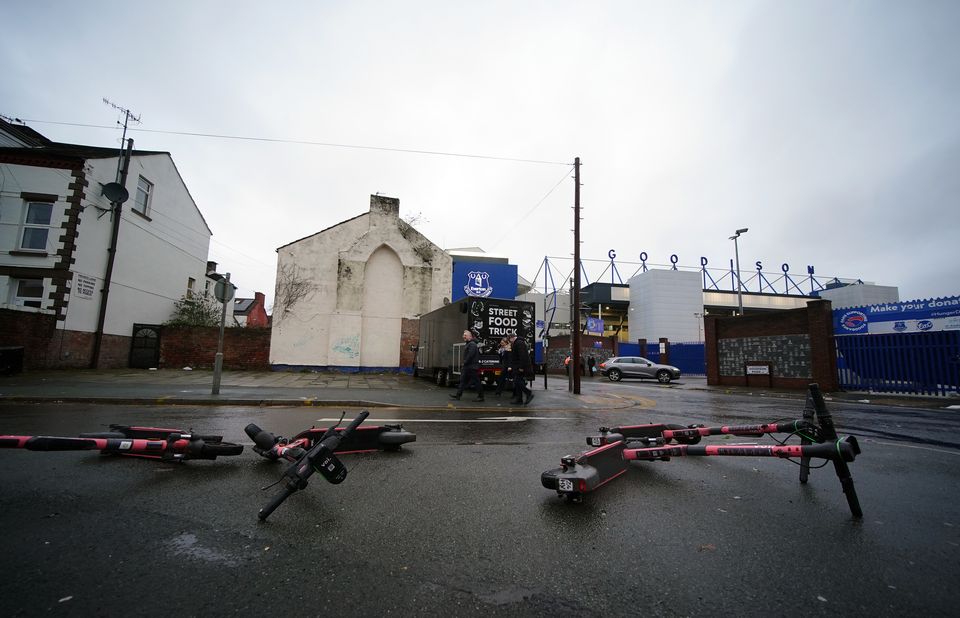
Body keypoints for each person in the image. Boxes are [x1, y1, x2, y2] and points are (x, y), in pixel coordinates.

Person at [450, 329, 484, 401]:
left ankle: (481, 397)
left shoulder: (472, 344)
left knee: (476, 381)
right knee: (463, 381)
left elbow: (470, 355)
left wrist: (465, 362)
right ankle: (458, 395)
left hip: (471, 367)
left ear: (470, 336)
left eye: (465, 335)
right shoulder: (469, 343)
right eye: (463, 335)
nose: (463, 336)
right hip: (468, 366)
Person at [510, 333, 534, 405]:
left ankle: (528, 393)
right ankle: (519, 399)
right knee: (517, 382)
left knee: (517, 381)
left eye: (510, 340)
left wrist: (521, 367)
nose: (510, 342)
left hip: (520, 367)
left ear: (512, 337)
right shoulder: (519, 342)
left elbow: (523, 356)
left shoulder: (519, 343)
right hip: (518, 366)